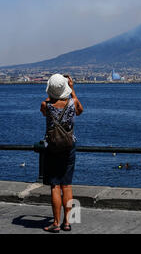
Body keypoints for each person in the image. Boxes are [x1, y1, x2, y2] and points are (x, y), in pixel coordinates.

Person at [40, 74, 83, 233]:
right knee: (67, 185)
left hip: (52, 147)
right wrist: (71, 89)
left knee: (55, 185)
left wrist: (54, 92)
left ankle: (56, 223)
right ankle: (67, 222)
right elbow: (80, 111)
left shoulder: (45, 105)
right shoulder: (73, 103)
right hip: (69, 146)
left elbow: (45, 111)